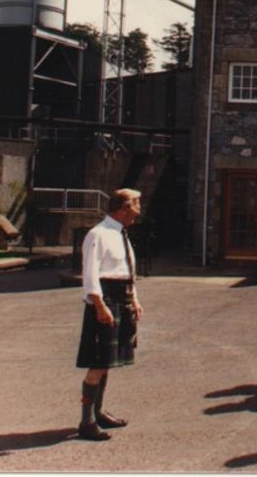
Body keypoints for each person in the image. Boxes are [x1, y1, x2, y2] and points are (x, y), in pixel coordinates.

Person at [75, 188, 144, 442]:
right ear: (123, 208)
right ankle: (86, 422)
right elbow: (91, 274)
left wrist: (134, 299)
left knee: (107, 361)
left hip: (121, 299)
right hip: (104, 302)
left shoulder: (120, 234)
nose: (139, 211)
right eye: (136, 205)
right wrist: (100, 306)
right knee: (98, 362)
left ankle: (99, 412)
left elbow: (127, 271)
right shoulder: (98, 234)